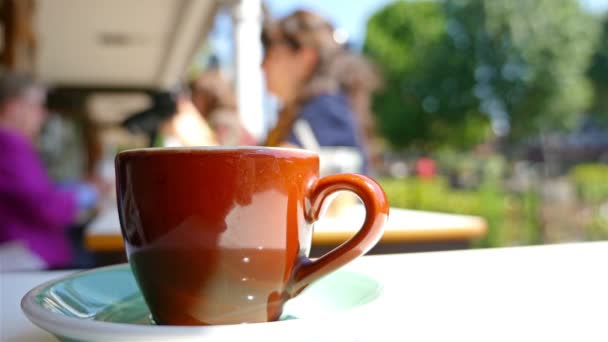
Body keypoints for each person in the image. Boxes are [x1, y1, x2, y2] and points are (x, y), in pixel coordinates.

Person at [0, 71, 99, 270]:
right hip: (28, 259)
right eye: (37, 106)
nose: (43, 114)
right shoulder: (9, 142)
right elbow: (46, 208)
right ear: (14, 108)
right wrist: (87, 193)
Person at [261, 10, 380, 175]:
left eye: (272, 54)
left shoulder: (325, 108)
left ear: (306, 56)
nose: (263, 66)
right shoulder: (323, 107)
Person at [190, 69, 255, 146]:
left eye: (197, 96)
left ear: (209, 96)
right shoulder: (228, 116)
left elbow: (219, 151)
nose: (193, 101)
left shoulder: (220, 119)